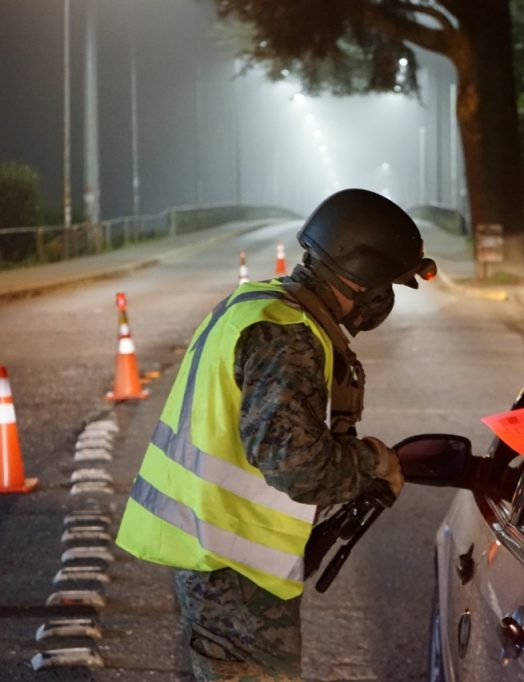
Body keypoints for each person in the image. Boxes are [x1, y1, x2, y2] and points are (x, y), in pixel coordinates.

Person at [115, 189, 437, 680]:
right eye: (386, 287)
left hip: (220, 561)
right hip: (233, 575)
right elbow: (299, 468)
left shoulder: (260, 305)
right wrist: (375, 463)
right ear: (360, 277)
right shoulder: (289, 337)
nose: (385, 302)